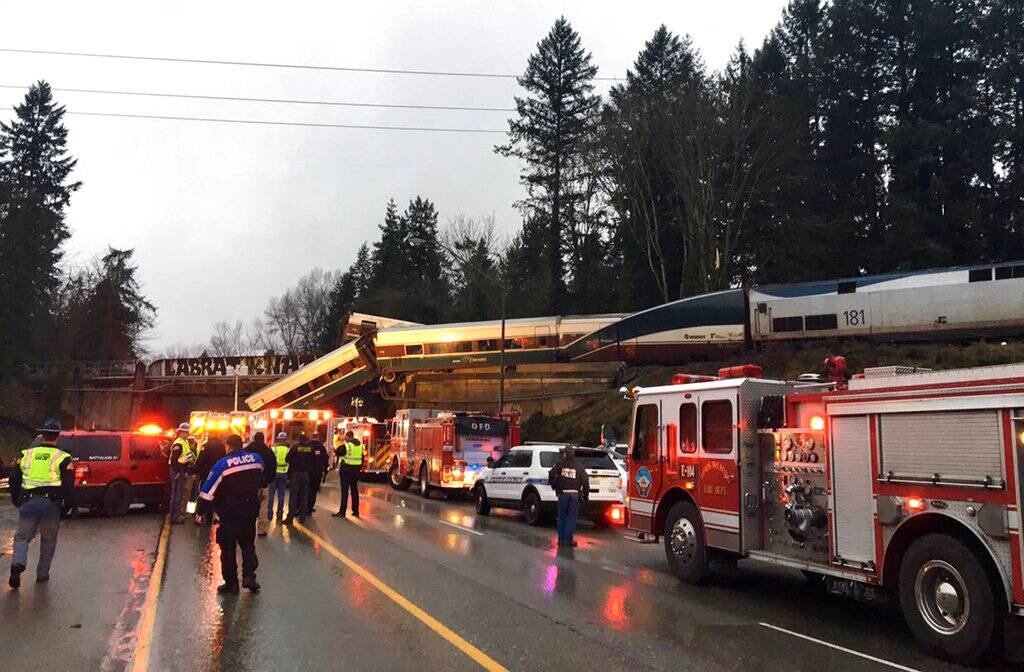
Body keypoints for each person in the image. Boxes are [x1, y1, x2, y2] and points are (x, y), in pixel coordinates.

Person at [9, 418, 75, 588]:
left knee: (22, 537)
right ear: (57, 436)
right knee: (48, 540)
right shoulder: (63, 458)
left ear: (42, 434)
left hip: (28, 502)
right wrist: (66, 506)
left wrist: (16, 499)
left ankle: (17, 564)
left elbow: (14, 478)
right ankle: (42, 575)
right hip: (51, 505)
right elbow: (68, 485)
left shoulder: (26, 454)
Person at [198, 434, 264, 594]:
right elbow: (263, 476)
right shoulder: (256, 459)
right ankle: (249, 576)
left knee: (228, 547)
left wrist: (200, 511)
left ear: (228, 445)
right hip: (250, 509)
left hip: (230, 511)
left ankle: (231, 584)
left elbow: (207, 492)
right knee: (247, 544)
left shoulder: (222, 465)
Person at [547, 445, 589, 548]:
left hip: (563, 494)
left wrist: (555, 486)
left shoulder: (559, 464)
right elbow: (585, 482)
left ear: (565, 454)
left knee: (561, 517)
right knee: (571, 518)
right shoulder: (579, 466)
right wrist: (586, 495)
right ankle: (568, 540)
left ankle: (561, 539)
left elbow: (551, 474)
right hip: (575, 495)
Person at [246, 432, 276, 536]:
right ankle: (261, 530)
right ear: (263, 439)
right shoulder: (268, 451)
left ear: (254, 439)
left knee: (248, 506)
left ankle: (247, 528)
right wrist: (268, 480)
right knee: (263, 507)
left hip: (249, 485)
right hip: (263, 484)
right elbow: (273, 466)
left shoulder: (247, 451)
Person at [193, 437, 225, 525]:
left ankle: (200, 514)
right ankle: (210, 517)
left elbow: (201, 460)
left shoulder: (205, 446)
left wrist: (195, 471)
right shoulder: (222, 447)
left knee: (204, 494)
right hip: (218, 475)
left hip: (206, 474)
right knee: (215, 495)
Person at [167, 423, 195, 524]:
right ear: (181, 432)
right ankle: (174, 517)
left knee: (179, 494)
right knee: (177, 495)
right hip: (177, 470)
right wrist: (177, 472)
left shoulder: (184, 442)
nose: (188, 434)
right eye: (186, 432)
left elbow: (185, 458)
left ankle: (175, 516)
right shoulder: (178, 443)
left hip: (181, 470)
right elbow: (174, 459)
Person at [285, 434, 315, 524]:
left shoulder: (295, 448)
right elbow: (313, 460)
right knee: (304, 496)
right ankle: (302, 517)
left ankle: (290, 517)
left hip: (296, 474)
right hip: (306, 474)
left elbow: (287, 459)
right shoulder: (310, 449)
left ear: (299, 439)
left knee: (293, 496)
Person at [332, 431, 363, 518]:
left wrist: (334, 450)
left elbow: (337, 452)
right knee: (354, 490)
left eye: (346, 436)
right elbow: (362, 459)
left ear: (348, 437)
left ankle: (342, 512)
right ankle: (356, 511)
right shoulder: (360, 446)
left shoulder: (346, 446)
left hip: (346, 470)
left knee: (344, 491)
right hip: (356, 471)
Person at [268, 432, 289, 523]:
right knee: (281, 495)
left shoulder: (273, 449)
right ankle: (279, 513)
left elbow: (270, 462)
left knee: (271, 495)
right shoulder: (288, 450)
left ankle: (269, 513)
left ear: (278, 439)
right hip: (284, 473)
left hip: (274, 474)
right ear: (285, 440)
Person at [307, 434, 329, 513]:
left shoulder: (307, 446)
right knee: (313, 491)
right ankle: (310, 508)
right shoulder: (321, 447)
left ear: (311, 437)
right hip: (317, 472)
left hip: (307, 472)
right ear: (318, 438)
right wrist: (325, 470)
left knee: (306, 490)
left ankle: (303, 507)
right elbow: (326, 459)